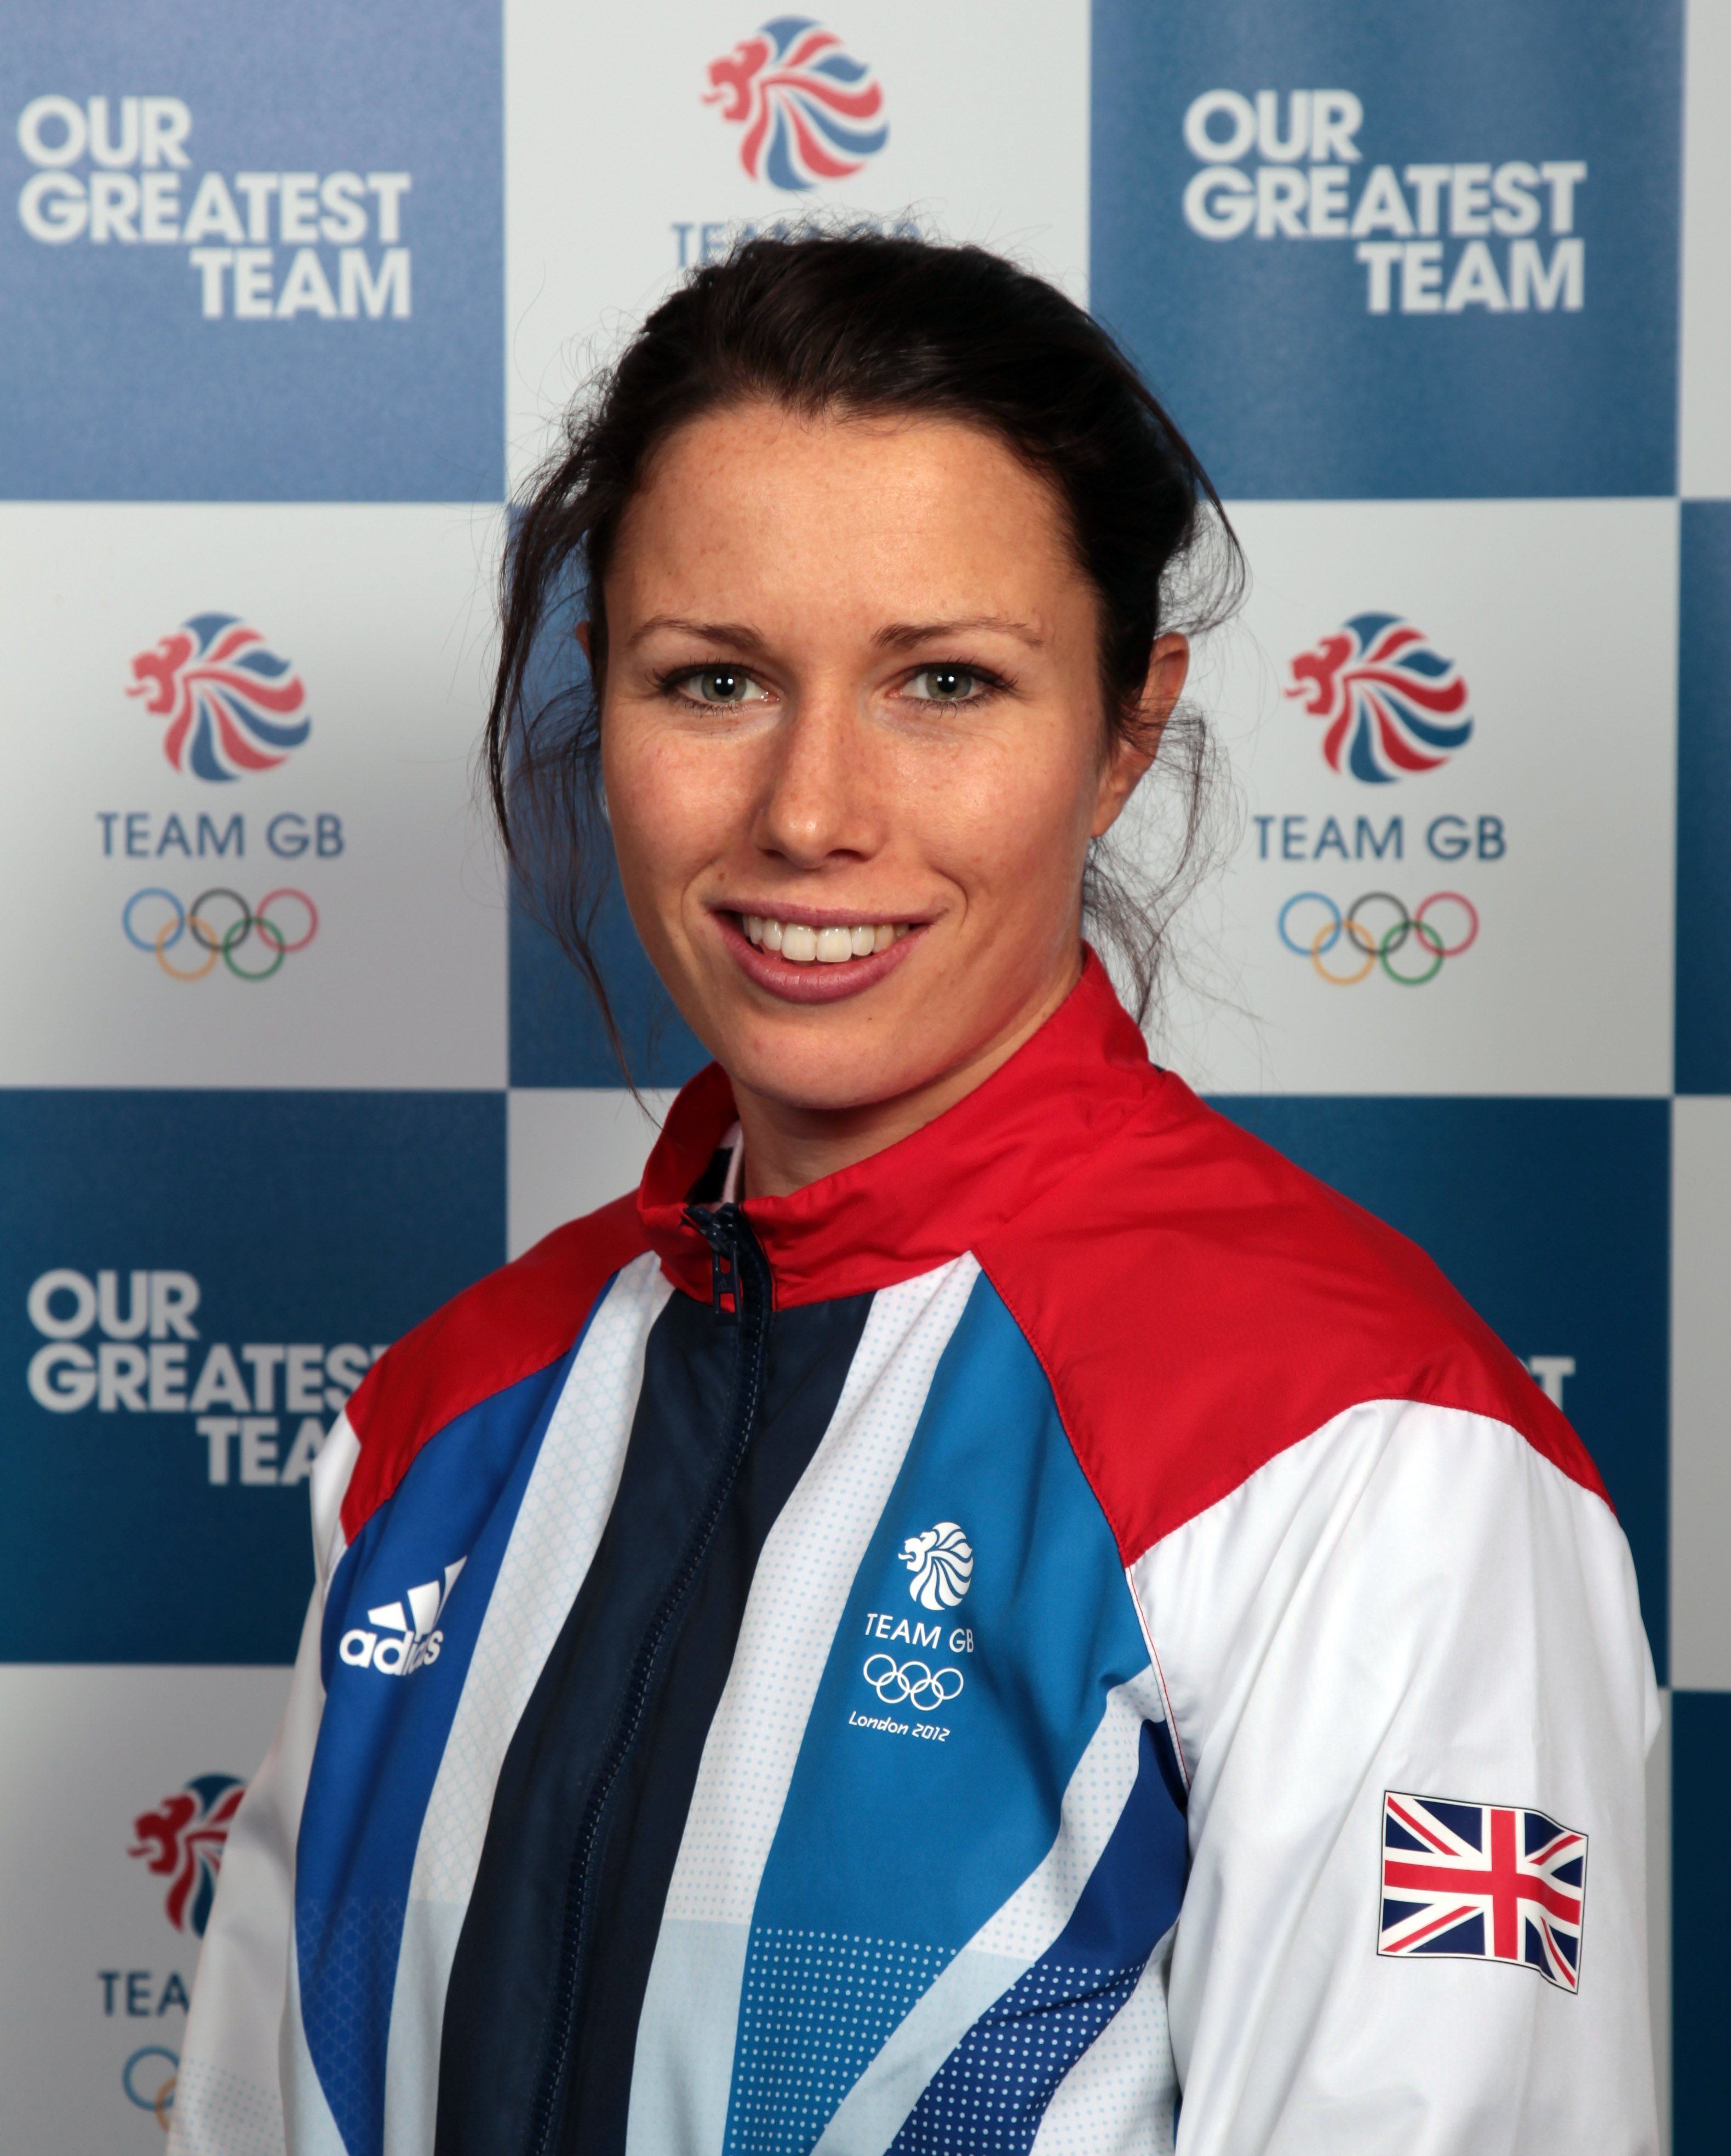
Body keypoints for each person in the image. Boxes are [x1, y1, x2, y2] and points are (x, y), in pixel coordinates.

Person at [172, 233, 1659, 2156]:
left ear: (1127, 730)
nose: (809, 810)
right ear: (601, 713)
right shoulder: (442, 1419)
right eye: (712, 680)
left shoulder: (1356, 1446)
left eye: (943, 683)